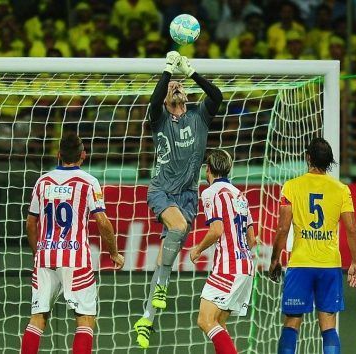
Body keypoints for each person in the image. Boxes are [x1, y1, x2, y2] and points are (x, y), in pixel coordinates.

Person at [133, 51, 223, 349]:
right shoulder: (159, 119)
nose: (175, 90)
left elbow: (217, 95)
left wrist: (191, 72)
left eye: (178, 87)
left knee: (165, 258)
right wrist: (168, 74)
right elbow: (154, 99)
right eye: (171, 90)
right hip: (161, 190)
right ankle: (161, 289)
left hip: (188, 195)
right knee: (178, 227)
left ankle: (147, 318)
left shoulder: (199, 115)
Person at [21, 132, 124, 354]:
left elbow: (31, 224)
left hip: (45, 256)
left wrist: (37, 252)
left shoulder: (42, 181)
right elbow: (103, 223)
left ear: (58, 155)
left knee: (38, 317)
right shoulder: (89, 182)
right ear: (83, 155)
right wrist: (114, 253)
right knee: (85, 319)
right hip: (75, 257)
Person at [269, 137, 356, 354]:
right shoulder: (341, 190)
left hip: (300, 263)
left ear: (308, 157)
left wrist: (275, 259)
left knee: (292, 320)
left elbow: (283, 229)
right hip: (329, 265)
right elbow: (352, 229)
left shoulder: (291, 187)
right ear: (329, 161)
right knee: (328, 324)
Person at [189, 149, 256, 354]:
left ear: (207, 169)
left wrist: (198, 249)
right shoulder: (240, 195)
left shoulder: (211, 192)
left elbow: (216, 230)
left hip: (229, 266)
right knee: (219, 323)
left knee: (205, 319)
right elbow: (252, 239)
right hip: (246, 265)